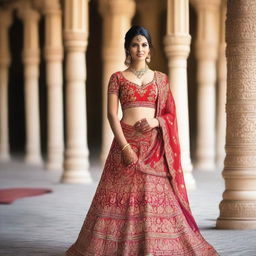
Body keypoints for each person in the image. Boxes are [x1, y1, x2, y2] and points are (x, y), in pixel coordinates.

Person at [65, 25, 219, 256]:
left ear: (149, 50)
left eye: (144, 44)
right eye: (135, 44)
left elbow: (170, 114)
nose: (139, 48)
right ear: (128, 48)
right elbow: (111, 114)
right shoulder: (117, 78)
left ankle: (153, 246)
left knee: (155, 197)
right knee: (117, 197)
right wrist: (125, 147)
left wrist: (156, 122)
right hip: (125, 144)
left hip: (154, 146)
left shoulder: (161, 79)